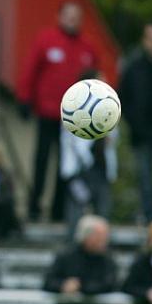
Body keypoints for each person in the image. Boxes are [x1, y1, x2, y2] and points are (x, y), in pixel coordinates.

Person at [18, 1, 98, 221]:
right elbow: (30, 69)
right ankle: (34, 206)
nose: (72, 20)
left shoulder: (87, 47)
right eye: (68, 16)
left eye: (76, 17)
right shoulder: (46, 40)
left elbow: (95, 81)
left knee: (67, 164)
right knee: (42, 159)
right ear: (59, 17)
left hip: (74, 118)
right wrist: (24, 97)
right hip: (48, 112)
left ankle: (59, 210)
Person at [119, 23, 152, 223]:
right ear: (144, 41)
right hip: (142, 134)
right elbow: (124, 99)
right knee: (145, 179)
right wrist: (136, 125)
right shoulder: (133, 67)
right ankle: (150, 218)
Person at [60, 71, 118, 239]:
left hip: (101, 169)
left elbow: (113, 139)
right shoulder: (72, 108)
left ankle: (102, 245)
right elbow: (75, 143)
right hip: (80, 170)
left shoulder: (110, 109)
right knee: (77, 213)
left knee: (103, 212)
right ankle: (73, 246)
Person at [43, 214, 118, 296]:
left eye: (105, 236)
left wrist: (81, 287)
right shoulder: (66, 255)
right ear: (86, 236)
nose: (103, 240)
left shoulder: (108, 259)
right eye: (98, 236)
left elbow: (110, 285)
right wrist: (63, 285)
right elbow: (48, 282)